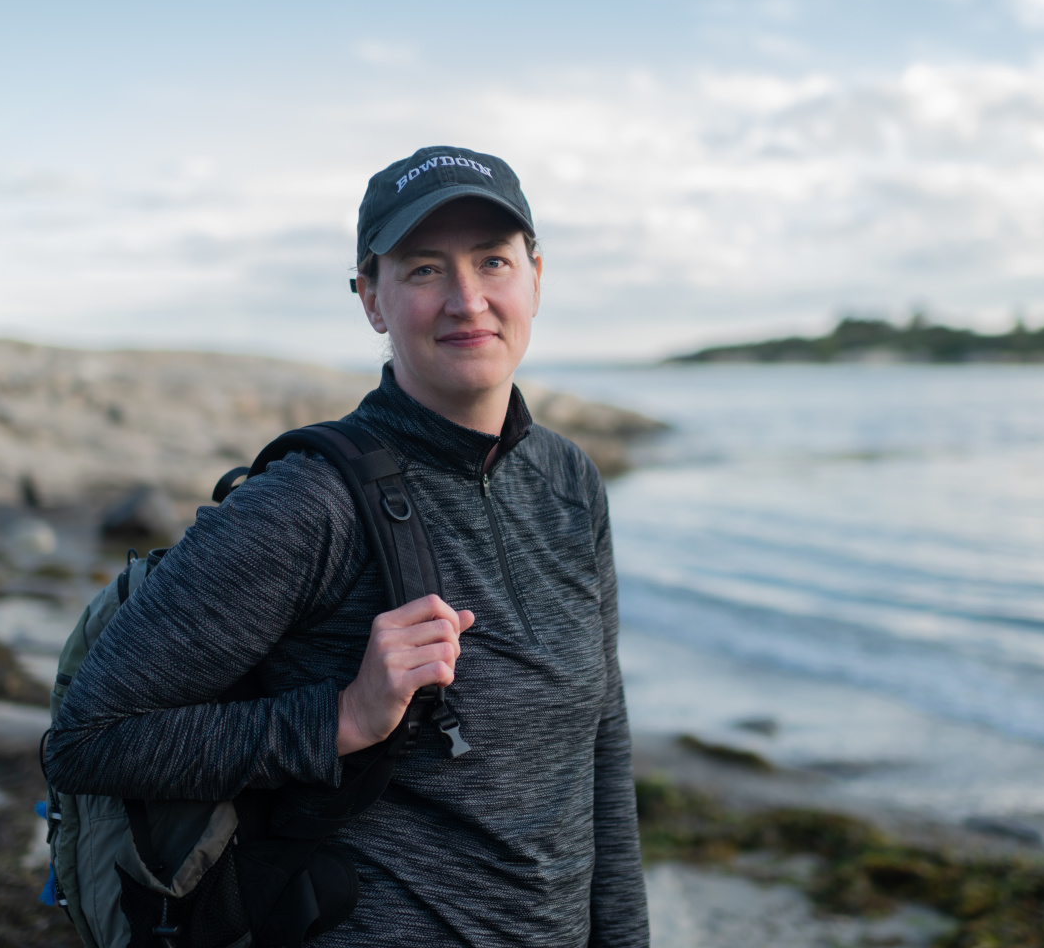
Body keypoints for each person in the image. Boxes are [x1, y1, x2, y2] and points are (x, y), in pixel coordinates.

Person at [45, 146, 650, 947]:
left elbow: (603, 744)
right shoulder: (307, 503)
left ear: (536, 275)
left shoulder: (571, 482)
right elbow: (88, 741)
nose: (468, 301)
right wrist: (340, 717)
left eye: (494, 261)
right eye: (425, 269)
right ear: (372, 297)